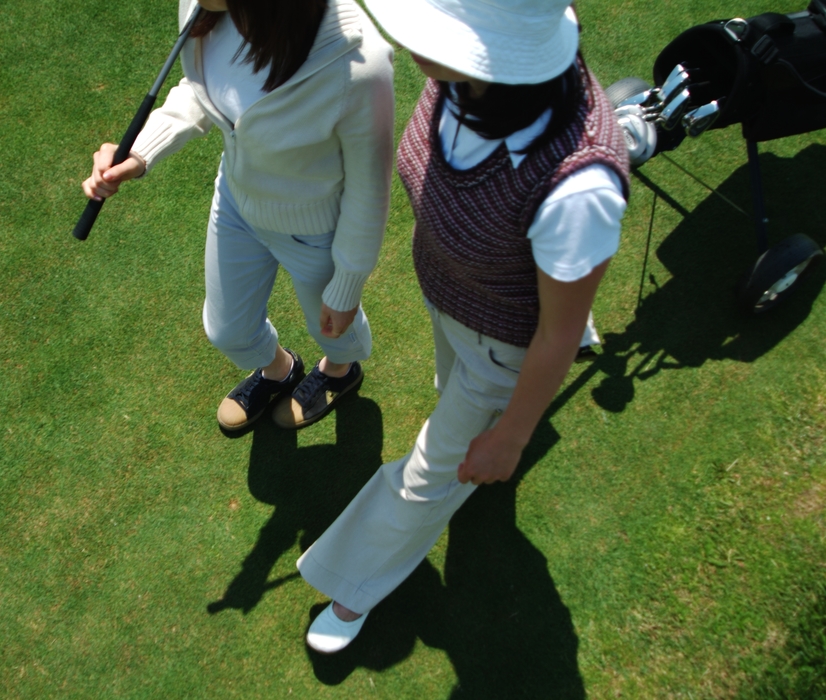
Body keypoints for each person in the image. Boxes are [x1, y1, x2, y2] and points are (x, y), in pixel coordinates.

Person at [297, 0, 630, 653]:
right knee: (456, 407)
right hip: (450, 300)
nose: (413, 33)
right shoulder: (468, 83)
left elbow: (557, 333)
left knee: (428, 476)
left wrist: (512, 436)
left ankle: (351, 583)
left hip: (504, 345)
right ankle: (492, 424)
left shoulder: (579, 188)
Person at [82, 0, 394, 433]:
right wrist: (138, 152)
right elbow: (205, 85)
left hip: (315, 227)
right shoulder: (202, 5)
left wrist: (347, 284)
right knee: (227, 330)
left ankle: (340, 372)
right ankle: (278, 370)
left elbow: (369, 191)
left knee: (334, 331)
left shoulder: (358, 63)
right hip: (236, 200)